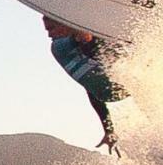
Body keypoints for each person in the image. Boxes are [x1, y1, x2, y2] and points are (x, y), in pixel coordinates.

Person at [42, 15, 129, 156]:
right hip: (115, 87)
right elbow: (90, 88)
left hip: (128, 74)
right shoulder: (60, 48)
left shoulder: (73, 42)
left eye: (51, 28)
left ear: (65, 23)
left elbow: (83, 37)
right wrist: (109, 130)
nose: (49, 34)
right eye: (46, 30)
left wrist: (81, 29)